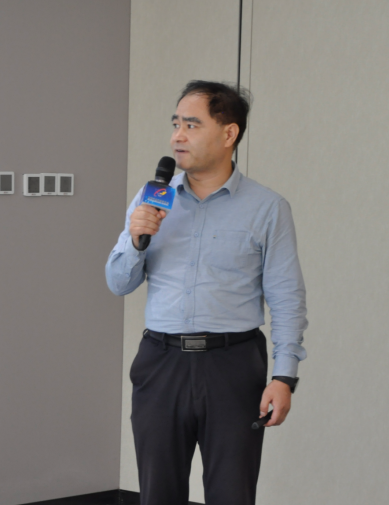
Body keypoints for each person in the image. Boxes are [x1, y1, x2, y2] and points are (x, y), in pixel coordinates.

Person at [105, 81, 307, 505]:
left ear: (229, 133)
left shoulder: (267, 208)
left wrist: (284, 376)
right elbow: (119, 283)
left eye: (191, 125)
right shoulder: (151, 199)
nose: (177, 136)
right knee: (158, 495)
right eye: (175, 124)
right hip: (161, 364)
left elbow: (287, 298)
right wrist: (137, 240)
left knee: (232, 494)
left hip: (232, 366)